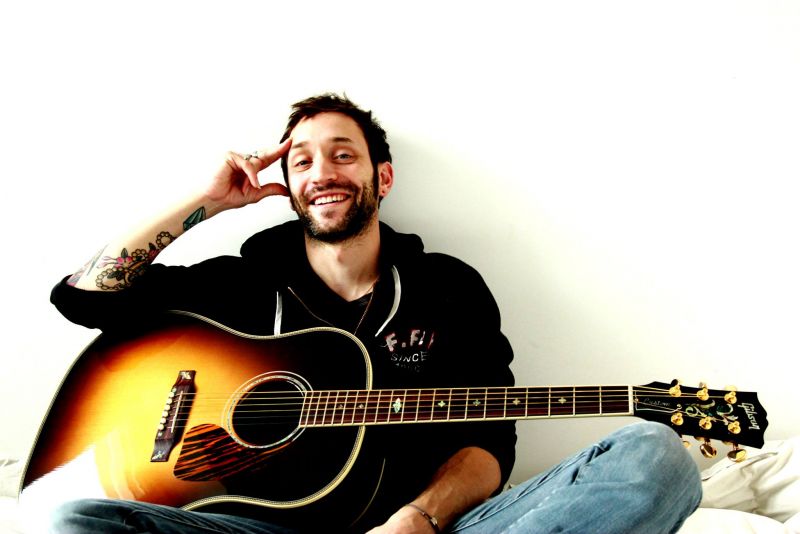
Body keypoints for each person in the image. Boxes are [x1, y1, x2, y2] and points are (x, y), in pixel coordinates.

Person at [48, 94, 701, 533]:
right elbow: (85, 296)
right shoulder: (242, 285)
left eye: (343, 154)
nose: (322, 171)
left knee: (655, 455)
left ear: (381, 178)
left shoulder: (447, 287)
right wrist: (207, 202)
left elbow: (490, 441)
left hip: (426, 529)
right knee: (69, 522)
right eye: (301, 161)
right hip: (259, 529)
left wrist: (419, 518)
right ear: (288, 188)